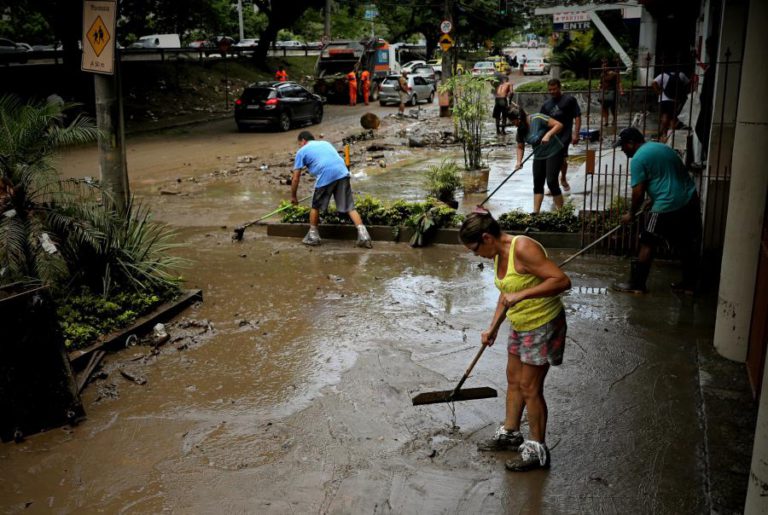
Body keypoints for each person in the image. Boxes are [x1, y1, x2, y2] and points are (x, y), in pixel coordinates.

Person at [459, 211, 571, 472]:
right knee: (513, 380)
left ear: (487, 237)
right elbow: (505, 294)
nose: (477, 255)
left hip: (542, 323)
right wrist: (492, 327)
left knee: (530, 387)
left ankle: (537, 449)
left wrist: (523, 294)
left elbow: (562, 280)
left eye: (475, 249)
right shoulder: (497, 253)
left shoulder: (523, 248)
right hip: (520, 323)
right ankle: (510, 433)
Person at [612, 127, 701, 294]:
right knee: (686, 243)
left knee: (647, 241)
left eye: (623, 145)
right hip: (689, 199)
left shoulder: (638, 158)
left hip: (667, 204)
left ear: (631, 143)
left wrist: (631, 213)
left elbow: (638, 192)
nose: (622, 149)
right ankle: (690, 285)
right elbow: (667, 176)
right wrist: (652, 199)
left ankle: (637, 285)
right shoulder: (660, 147)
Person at [291, 131, 372, 248]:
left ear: (303, 141)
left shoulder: (301, 151)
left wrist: (293, 196)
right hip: (343, 172)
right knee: (349, 207)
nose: (300, 146)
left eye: (299, 144)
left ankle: (313, 236)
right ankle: (364, 236)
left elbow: (295, 178)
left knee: (315, 206)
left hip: (326, 175)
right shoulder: (325, 143)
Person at [506, 104, 565, 213]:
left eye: (513, 121)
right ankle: (535, 212)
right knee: (538, 182)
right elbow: (520, 147)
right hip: (539, 154)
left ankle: (561, 212)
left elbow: (559, 125)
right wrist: (519, 162)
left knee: (551, 182)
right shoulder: (521, 130)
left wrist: (548, 134)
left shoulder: (537, 118)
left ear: (519, 118)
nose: (513, 124)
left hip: (554, 151)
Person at [540, 79, 581, 193]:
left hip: (565, 136)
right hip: (551, 136)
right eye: (550, 90)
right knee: (554, 160)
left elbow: (577, 117)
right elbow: (541, 122)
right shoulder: (546, 105)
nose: (552, 92)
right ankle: (555, 182)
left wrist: (575, 134)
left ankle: (561, 178)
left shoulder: (569, 100)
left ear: (559, 87)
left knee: (561, 159)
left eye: (554, 89)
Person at [652, 69, 690, 142]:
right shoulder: (681, 74)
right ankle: (671, 136)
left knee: (664, 116)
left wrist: (658, 92)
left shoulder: (663, 75)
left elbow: (654, 82)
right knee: (673, 118)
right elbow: (688, 84)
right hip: (674, 100)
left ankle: (663, 134)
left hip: (663, 99)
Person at [599, 59, 623, 127]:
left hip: (612, 91)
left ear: (608, 67)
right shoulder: (602, 74)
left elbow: (619, 82)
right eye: (603, 65)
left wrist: (621, 91)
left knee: (613, 108)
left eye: (605, 65)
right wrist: (599, 86)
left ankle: (614, 120)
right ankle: (606, 121)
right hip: (604, 92)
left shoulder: (614, 74)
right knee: (604, 107)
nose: (603, 67)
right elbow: (601, 83)